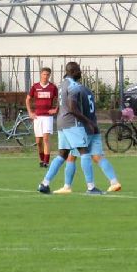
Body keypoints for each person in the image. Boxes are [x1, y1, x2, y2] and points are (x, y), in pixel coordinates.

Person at [38, 61, 102, 195]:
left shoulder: (62, 85)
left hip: (61, 122)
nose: (80, 72)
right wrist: (88, 122)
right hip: (72, 123)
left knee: (63, 154)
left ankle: (44, 183)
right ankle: (91, 187)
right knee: (84, 151)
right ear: (72, 71)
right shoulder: (73, 85)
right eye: (78, 70)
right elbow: (73, 108)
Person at [54, 80, 122, 194]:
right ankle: (114, 182)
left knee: (71, 157)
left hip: (84, 128)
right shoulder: (88, 91)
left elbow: (75, 109)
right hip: (94, 126)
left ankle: (67, 186)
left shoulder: (75, 91)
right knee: (98, 156)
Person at [26, 67, 59, 168]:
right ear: (41, 75)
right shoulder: (35, 87)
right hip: (37, 117)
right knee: (38, 141)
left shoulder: (53, 87)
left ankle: (46, 161)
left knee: (46, 138)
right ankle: (41, 159)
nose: (45, 76)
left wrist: (56, 109)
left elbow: (59, 99)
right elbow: (28, 99)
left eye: (47, 75)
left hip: (47, 116)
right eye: (44, 74)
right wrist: (30, 112)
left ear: (50, 76)